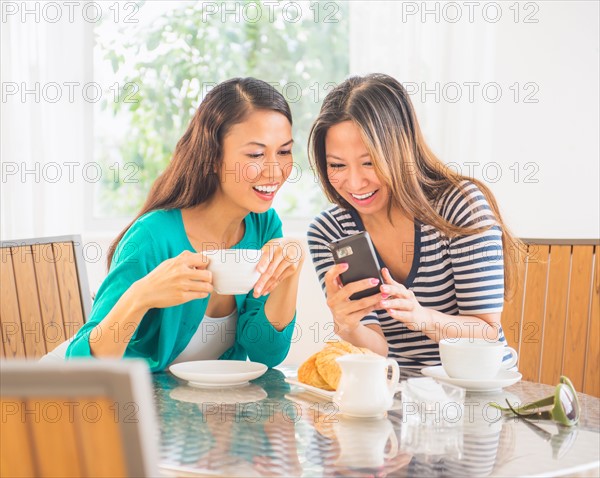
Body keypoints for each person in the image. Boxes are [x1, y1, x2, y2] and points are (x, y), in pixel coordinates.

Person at [67, 77, 303, 371]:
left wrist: (291, 271)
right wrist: (142, 296)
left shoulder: (263, 226)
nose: (275, 170)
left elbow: (266, 354)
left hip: (198, 412)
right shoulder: (152, 237)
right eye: (256, 154)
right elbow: (80, 364)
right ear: (213, 157)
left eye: (284, 151)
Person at [307, 73, 522, 368]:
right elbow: (377, 349)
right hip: (397, 392)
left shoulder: (458, 206)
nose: (355, 183)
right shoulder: (329, 231)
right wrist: (348, 325)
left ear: (400, 150)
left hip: (474, 384)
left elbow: (486, 332)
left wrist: (423, 317)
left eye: (369, 162)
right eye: (337, 165)